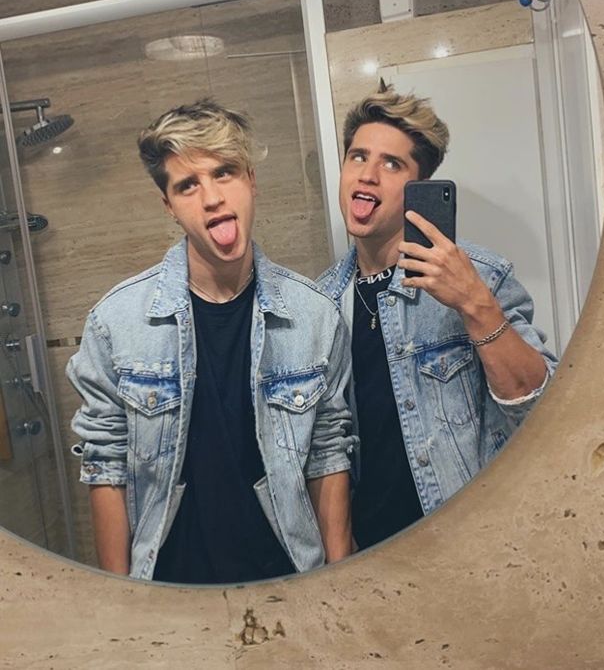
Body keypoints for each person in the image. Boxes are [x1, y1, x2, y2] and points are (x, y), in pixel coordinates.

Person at [67, 98, 357, 583]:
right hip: (170, 583)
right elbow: (106, 466)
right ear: (169, 206)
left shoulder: (314, 316)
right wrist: (122, 602)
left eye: (224, 172)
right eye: (188, 185)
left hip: (288, 576)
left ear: (251, 180)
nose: (212, 198)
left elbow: (328, 454)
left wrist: (336, 580)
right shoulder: (116, 322)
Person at [317, 82, 558, 551]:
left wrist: (476, 304)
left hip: (470, 546)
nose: (368, 175)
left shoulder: (480, 275)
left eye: (392, 164)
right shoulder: (321, 303)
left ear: (419, 187)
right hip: (372, 556)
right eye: (358, 156)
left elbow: (540, 409)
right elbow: (328, 449)